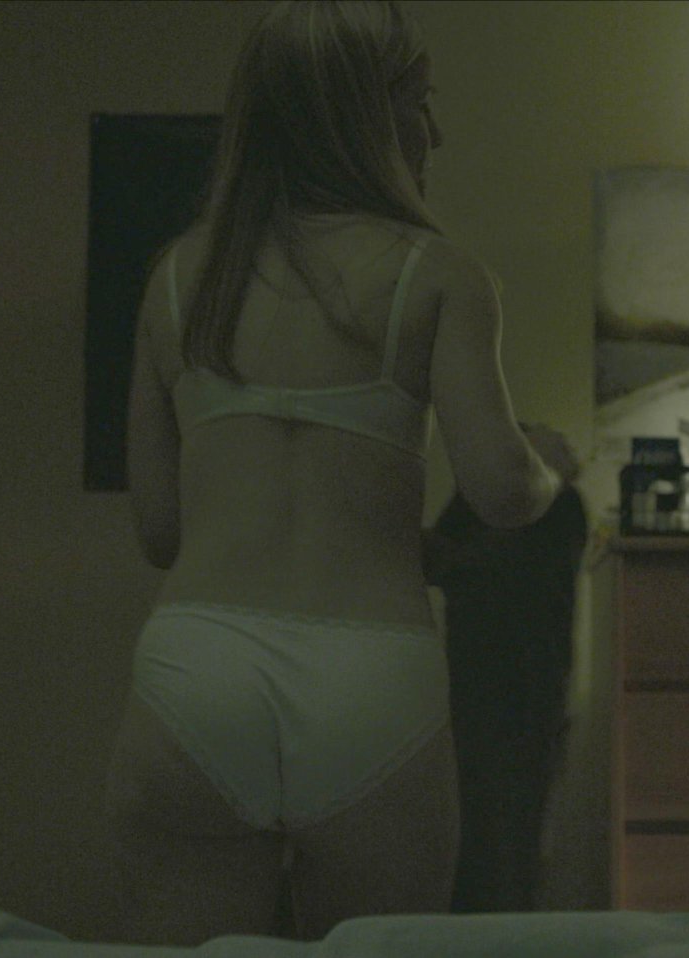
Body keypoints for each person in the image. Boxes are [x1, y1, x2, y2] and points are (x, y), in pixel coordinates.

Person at [106, 1, 568, 944]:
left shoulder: (178, 279)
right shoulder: (436, 274)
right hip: (367, 678)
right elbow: (503, 493)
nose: (434, 131)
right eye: (419, 101)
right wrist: (551, 468)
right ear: (364, 116)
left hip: (200, 668)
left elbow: (160, 532)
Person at [423, 478, 586, 913]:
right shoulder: (551, 503)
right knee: (504, 844)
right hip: (518, 699)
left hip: (500, 699)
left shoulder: (533, 504)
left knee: (494, 843)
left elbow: (440, 558)